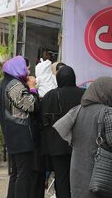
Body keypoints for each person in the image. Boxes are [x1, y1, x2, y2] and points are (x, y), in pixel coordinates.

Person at [54, 77, 112, 198]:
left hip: (78, 174)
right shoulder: (107, 112)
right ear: (105, 93)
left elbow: (63, 130)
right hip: (100, 177)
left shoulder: (77, 110)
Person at [40, 66, 84, 198]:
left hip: (57, 146)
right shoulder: (84, 94)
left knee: (61, 178)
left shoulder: (51, 95)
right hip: (79, 145)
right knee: (79, 178)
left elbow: (42, 119)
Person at [0, 56, 38, 198]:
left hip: (12, 133)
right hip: (20, 134)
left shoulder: (6, 82)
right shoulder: (15, 85)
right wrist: (33, 89)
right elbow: (30, 105)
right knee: (23, 174)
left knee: (16, 173)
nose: (28, 71)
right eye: (26, 67)